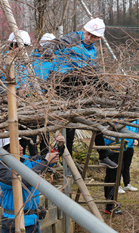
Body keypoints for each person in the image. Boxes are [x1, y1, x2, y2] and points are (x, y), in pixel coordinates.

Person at [43, 18, 116, 167]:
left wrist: (103, 84)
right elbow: (54, 44)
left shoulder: (92, 50)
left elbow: (93, 70)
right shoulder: (72, 38)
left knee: (94, 115)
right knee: (70, 122)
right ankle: (67, 158)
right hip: (62, 80)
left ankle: (103, 155)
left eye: (93, 37)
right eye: (88, 34)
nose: (89, 38)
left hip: (78, 84)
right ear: (83, 29)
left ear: (98, 38)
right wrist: (49, 51)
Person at [102, 120, 139, 214]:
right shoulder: (117, 119)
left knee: (112, 175)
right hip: (113, 148)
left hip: (114, 147)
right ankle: (109, 207)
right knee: (113, 177)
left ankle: (110, 202)